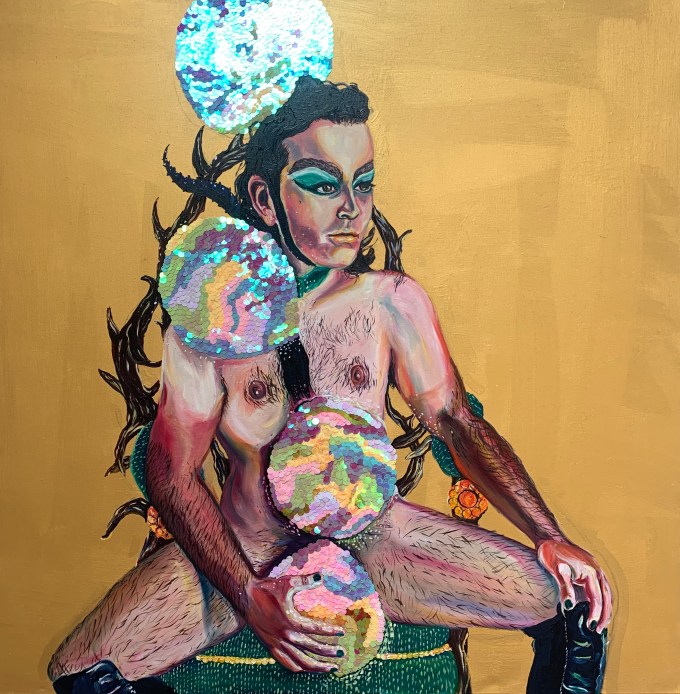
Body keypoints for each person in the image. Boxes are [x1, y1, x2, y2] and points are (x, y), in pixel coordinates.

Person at [49, 77, 611, 693]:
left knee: (575, 601)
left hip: (376, 539)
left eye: (363, 184)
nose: (351, 207)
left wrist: (549, 535)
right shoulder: (210, 317)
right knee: (79, 670)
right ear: (265, 198)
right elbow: (171, 473)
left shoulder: (391, 301)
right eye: (322, 184)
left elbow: (456, 422)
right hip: (250, 548)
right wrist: (247, 594)